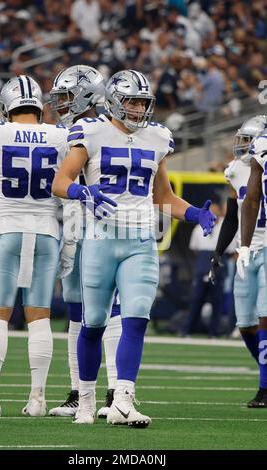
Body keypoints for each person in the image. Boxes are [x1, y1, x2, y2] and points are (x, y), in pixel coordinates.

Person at [52, 69, 216, 427]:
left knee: (137, 319)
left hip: (141, 240)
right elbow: (60, 182)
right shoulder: (91, 131)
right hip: (100, 239)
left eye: (143, 102)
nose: (140, 108)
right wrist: (82, 191)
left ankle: (123, 400)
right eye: (132, 101)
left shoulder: (157, 138)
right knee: (93, 323)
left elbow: (163, 197)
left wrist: (192, 213)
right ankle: (85, 400)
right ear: (113, 100)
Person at [0, 75, 68, 417]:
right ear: (39, 107)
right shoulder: (61, 136)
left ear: (6, 106)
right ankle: (38, 399)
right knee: (39, 316)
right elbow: (70, 195)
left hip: (7, 229)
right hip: (46, 232)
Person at [47, 65, 122, 419]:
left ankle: (113, 392)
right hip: (78, 225)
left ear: (84, 95)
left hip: (97, 228)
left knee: (109, 313)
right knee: (80, 312)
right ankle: (82, 393)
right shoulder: (96, 128)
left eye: (65, 96)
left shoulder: (93, 130)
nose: (60, 104)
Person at [210, 116, 267, 347]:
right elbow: (232, 216)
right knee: (245, 325)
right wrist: (218, 251)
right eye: (241, 139)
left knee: (264, 317)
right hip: (247, 251)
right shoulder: (234, 169)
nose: (242, 145)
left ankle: (264, 381)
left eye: (248, 140)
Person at [236, 114, 267, 407]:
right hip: (255, 247)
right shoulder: (261, 149)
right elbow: (252, 200)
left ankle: (265, 387)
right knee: (246, 323)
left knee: (265, 316)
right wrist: (242, 246)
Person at [181, 200, 236, 338]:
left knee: (217, 300)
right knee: (196, 299)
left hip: (218, 264)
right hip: (202, 264)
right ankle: (186, 330)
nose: (214, 213)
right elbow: (194, 248)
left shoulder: (224, 227)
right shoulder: (199, 228)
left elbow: (231, 249)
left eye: (216, 210)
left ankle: (213, 332)